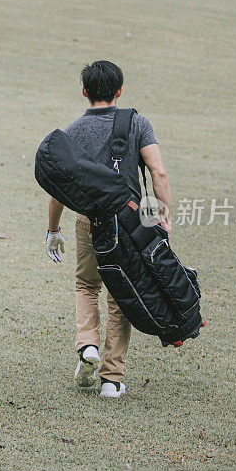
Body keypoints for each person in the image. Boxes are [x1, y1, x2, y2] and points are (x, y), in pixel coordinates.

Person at [44, 60, 172, 398]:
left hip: (90, 222)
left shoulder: (73, 132)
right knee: (121, 296)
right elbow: (158, 174)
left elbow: (60, 188)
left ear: (85, 92)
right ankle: (112, 380)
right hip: (131, 225)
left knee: (87, 285)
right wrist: (164, 218)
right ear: (119, 92)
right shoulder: (137, 123)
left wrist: (52, 229)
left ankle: (87, 345)